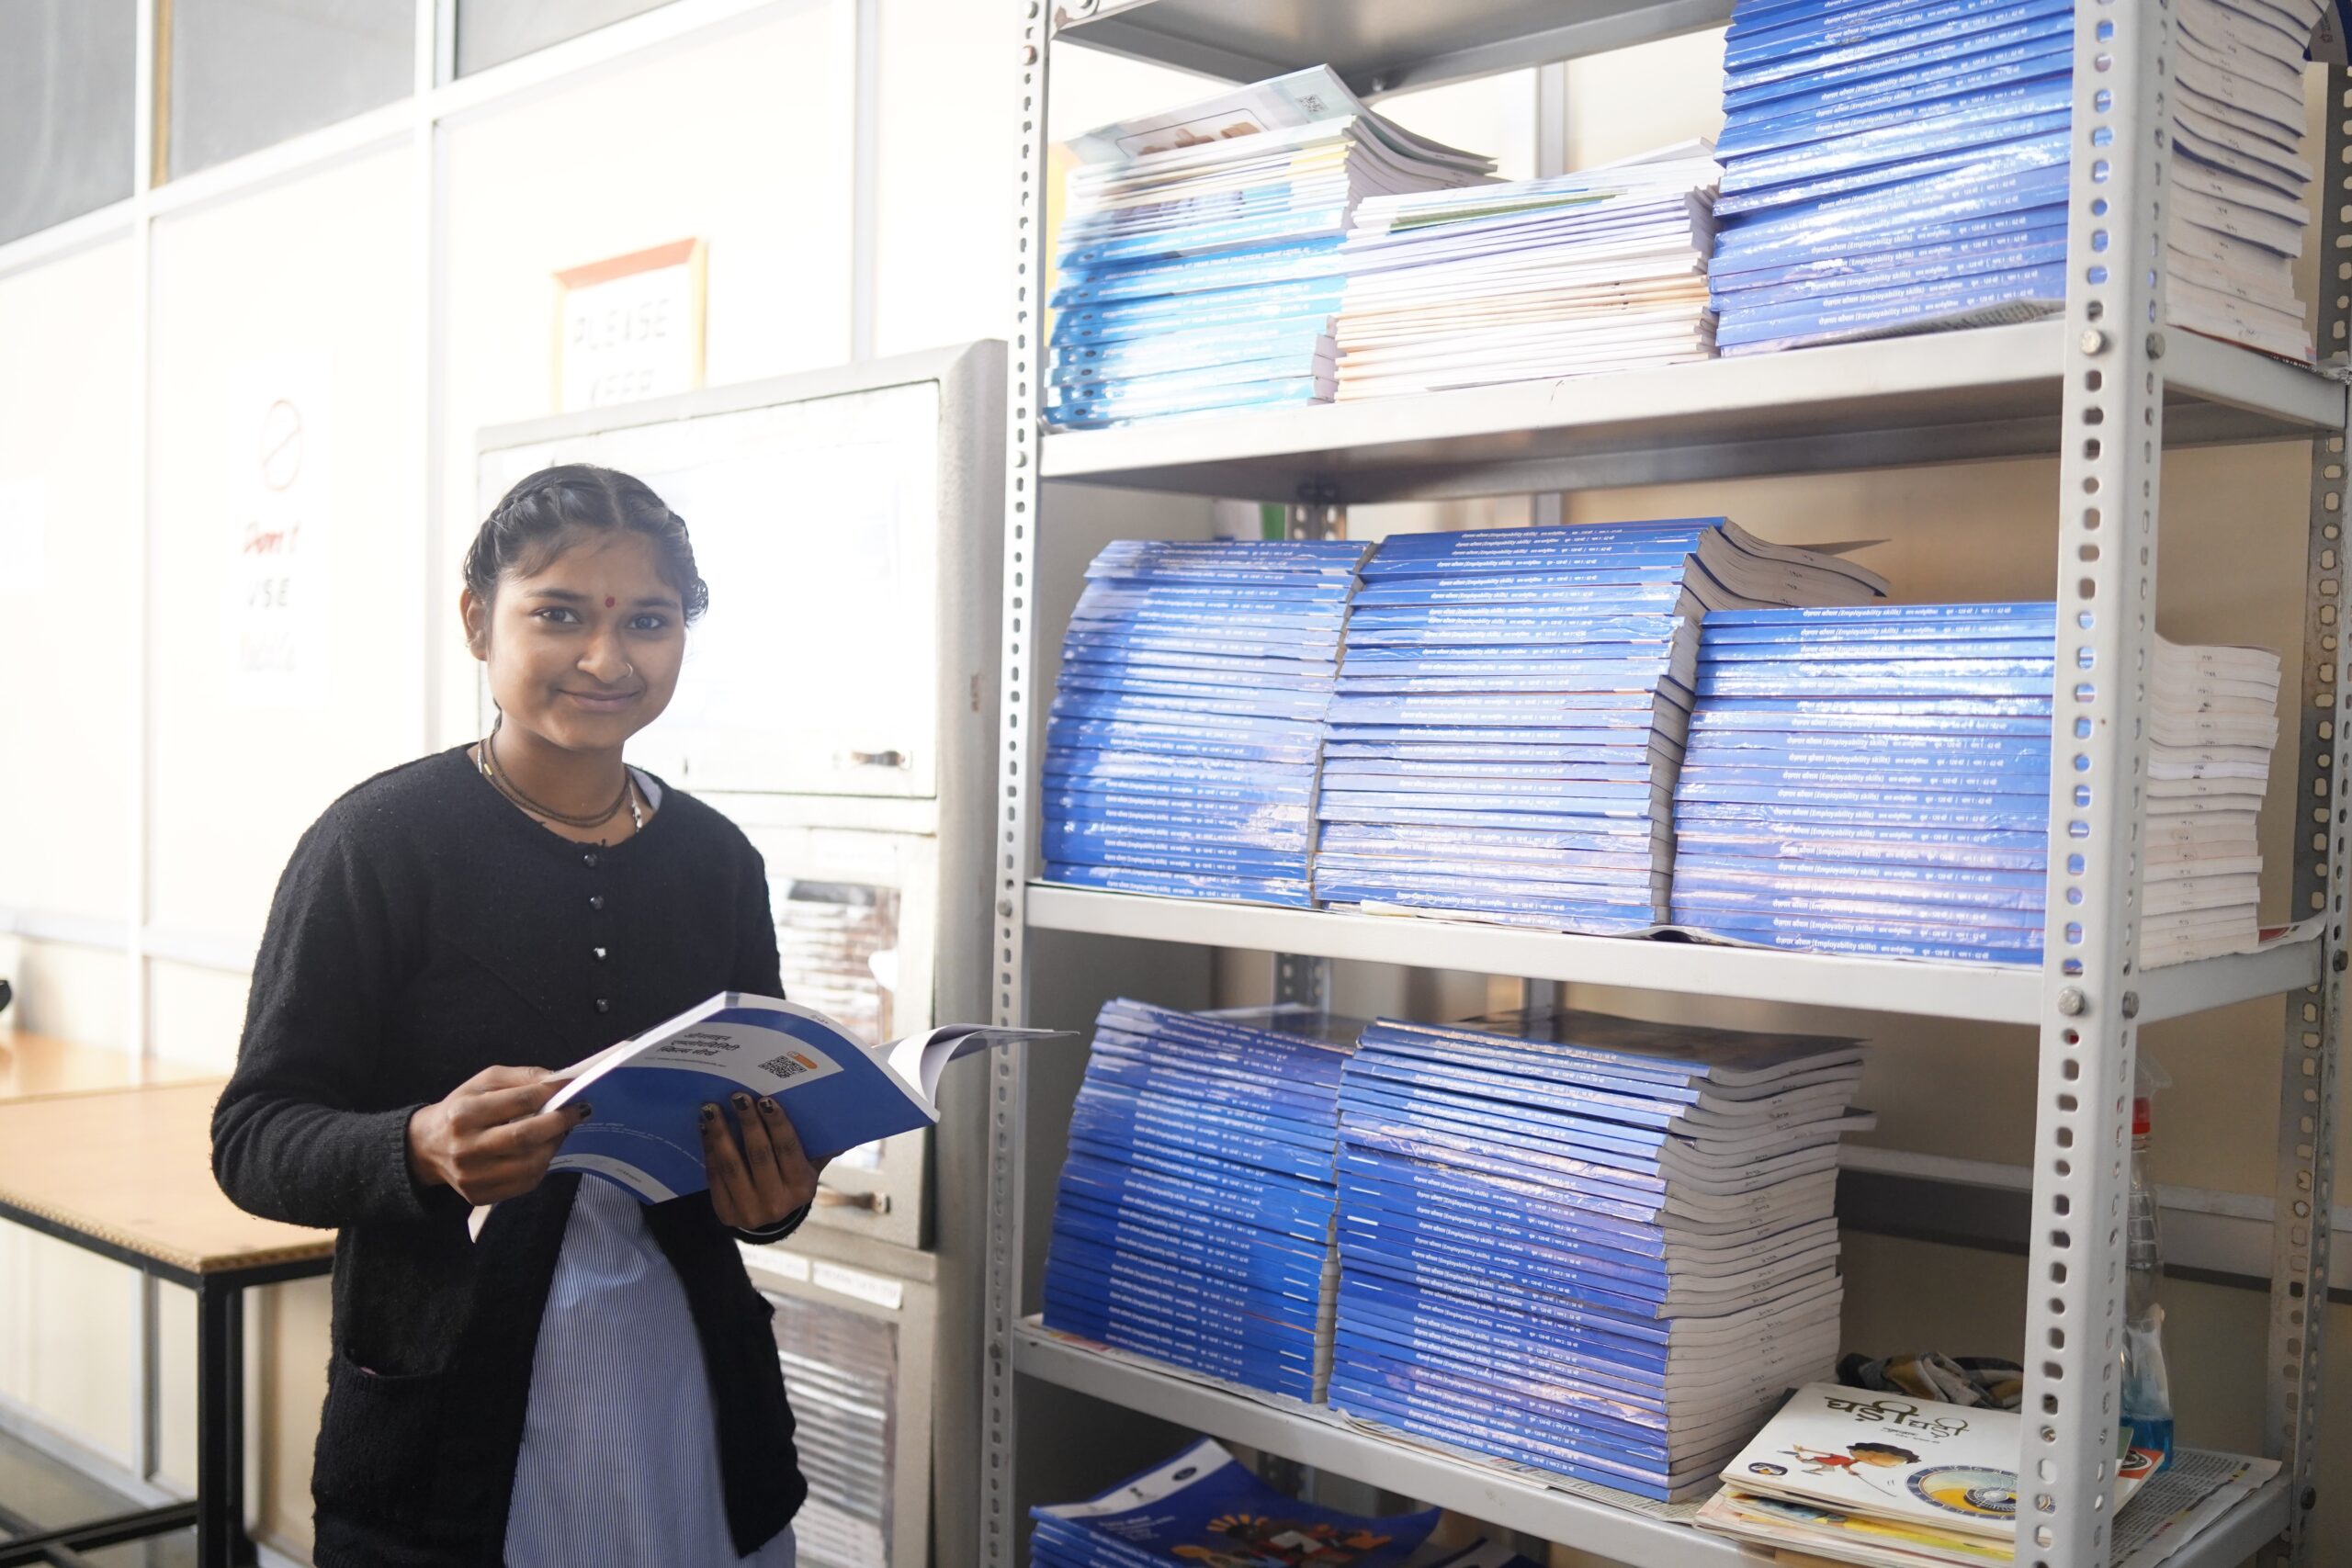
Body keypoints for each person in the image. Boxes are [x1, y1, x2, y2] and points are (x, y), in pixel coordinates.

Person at [212, 465, 816, 1567]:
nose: (607, 657)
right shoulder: (380, 843)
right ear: (478, 619)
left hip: (690, 1397)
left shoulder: (716, 859)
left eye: (648, 620)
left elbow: (750, 1111)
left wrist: (772, 1196)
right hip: (450, 1422)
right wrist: (418, 1145)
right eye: (560, 615)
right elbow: (254, 1139)